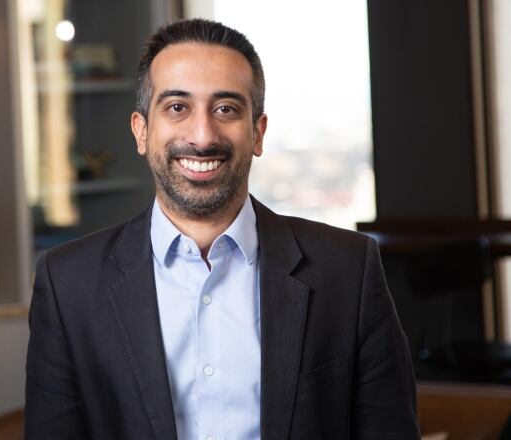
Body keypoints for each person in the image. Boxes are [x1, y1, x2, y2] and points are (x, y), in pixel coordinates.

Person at [25, 18, 419, 440]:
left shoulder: (346, 270)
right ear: (142, 131)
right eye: (178, 107)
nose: (202, 135)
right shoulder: (68, 284)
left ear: (258, 132)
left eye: (226, 108)